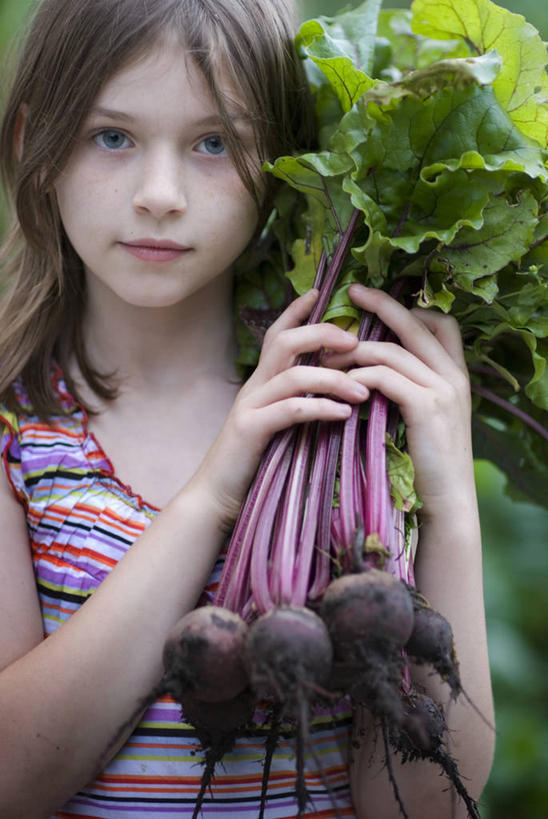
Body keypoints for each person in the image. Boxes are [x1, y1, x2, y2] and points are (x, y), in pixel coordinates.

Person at [0, 0, 495, 816]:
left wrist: (451, 511)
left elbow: (426, 807)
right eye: (112, 136)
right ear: (34, 145)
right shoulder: (19, 440)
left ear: (282, 164)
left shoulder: (348, 430)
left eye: (214, 143)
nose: (159, 195)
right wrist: (214, 489)